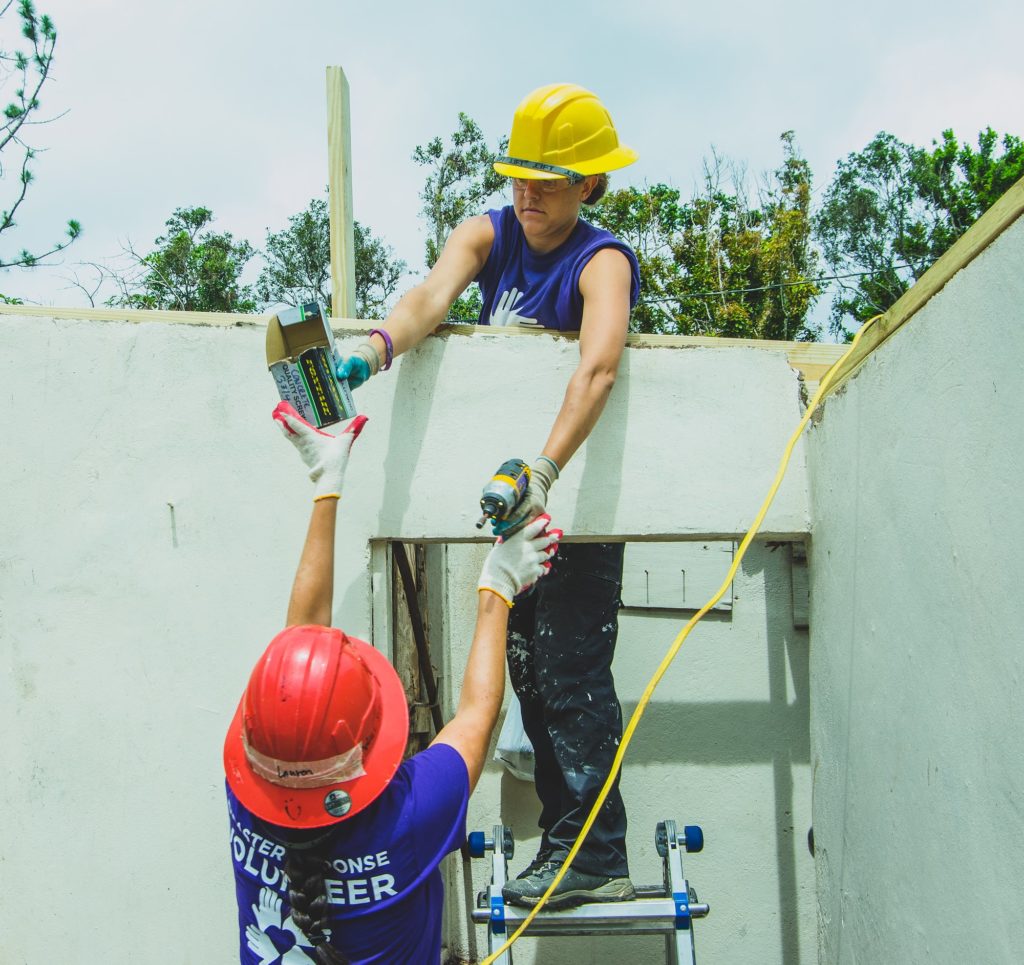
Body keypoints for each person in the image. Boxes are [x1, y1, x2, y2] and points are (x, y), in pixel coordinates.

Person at [335, 83, 641, 910]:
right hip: (515, 509)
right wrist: (376, 348)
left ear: (589, 183)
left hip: (567, 507)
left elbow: (600, 365)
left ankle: (594, 850)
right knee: (528, 671)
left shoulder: (601, 259)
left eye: (546, 179)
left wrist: (543, 468)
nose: (526, 194)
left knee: (570, 671)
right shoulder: (490, 233)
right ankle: (569, 839)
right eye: (518, 176)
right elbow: (432, 297)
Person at [223, 401, 560, 964]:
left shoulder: (248, 793)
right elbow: (477, 714)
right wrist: (499, 583)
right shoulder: (411, 812)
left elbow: (298, 655)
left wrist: (325, 485)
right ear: (367, 745)